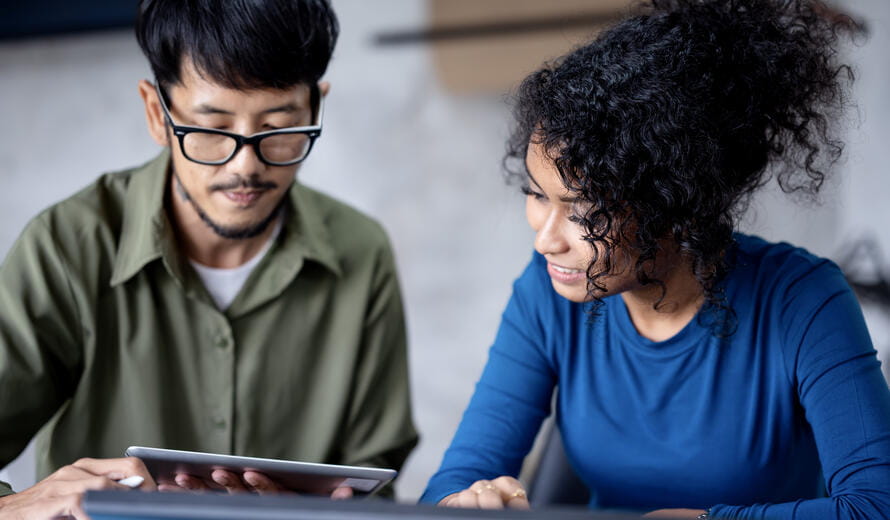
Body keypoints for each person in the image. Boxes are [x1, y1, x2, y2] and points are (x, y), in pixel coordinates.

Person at [420, 0, 890, 518]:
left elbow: (875, 505)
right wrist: (465, 501)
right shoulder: (547, 292)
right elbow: (456, 478)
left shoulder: (803, 300)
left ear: (676, 204)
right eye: (537, 195)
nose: (545, 241)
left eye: (582, 211)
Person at [0, 0, 418, 518]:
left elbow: (376, 490)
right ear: (158, 113)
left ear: (316, 109)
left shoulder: (362, 252)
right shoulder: (66, 247)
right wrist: (16, 507)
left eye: (279, 126)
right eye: (213, 128)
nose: (246, 167)